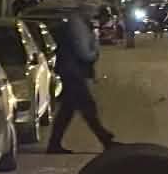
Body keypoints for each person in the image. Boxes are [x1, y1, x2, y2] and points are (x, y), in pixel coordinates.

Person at [45, 10, 117, 153]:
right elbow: (85, 53)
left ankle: (54, 143)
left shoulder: (78, 23)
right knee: (87, 106)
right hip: (73, 72)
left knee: (68, 109)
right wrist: (95, 50)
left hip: (70, 71)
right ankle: (105, 139)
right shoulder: (78, 25)